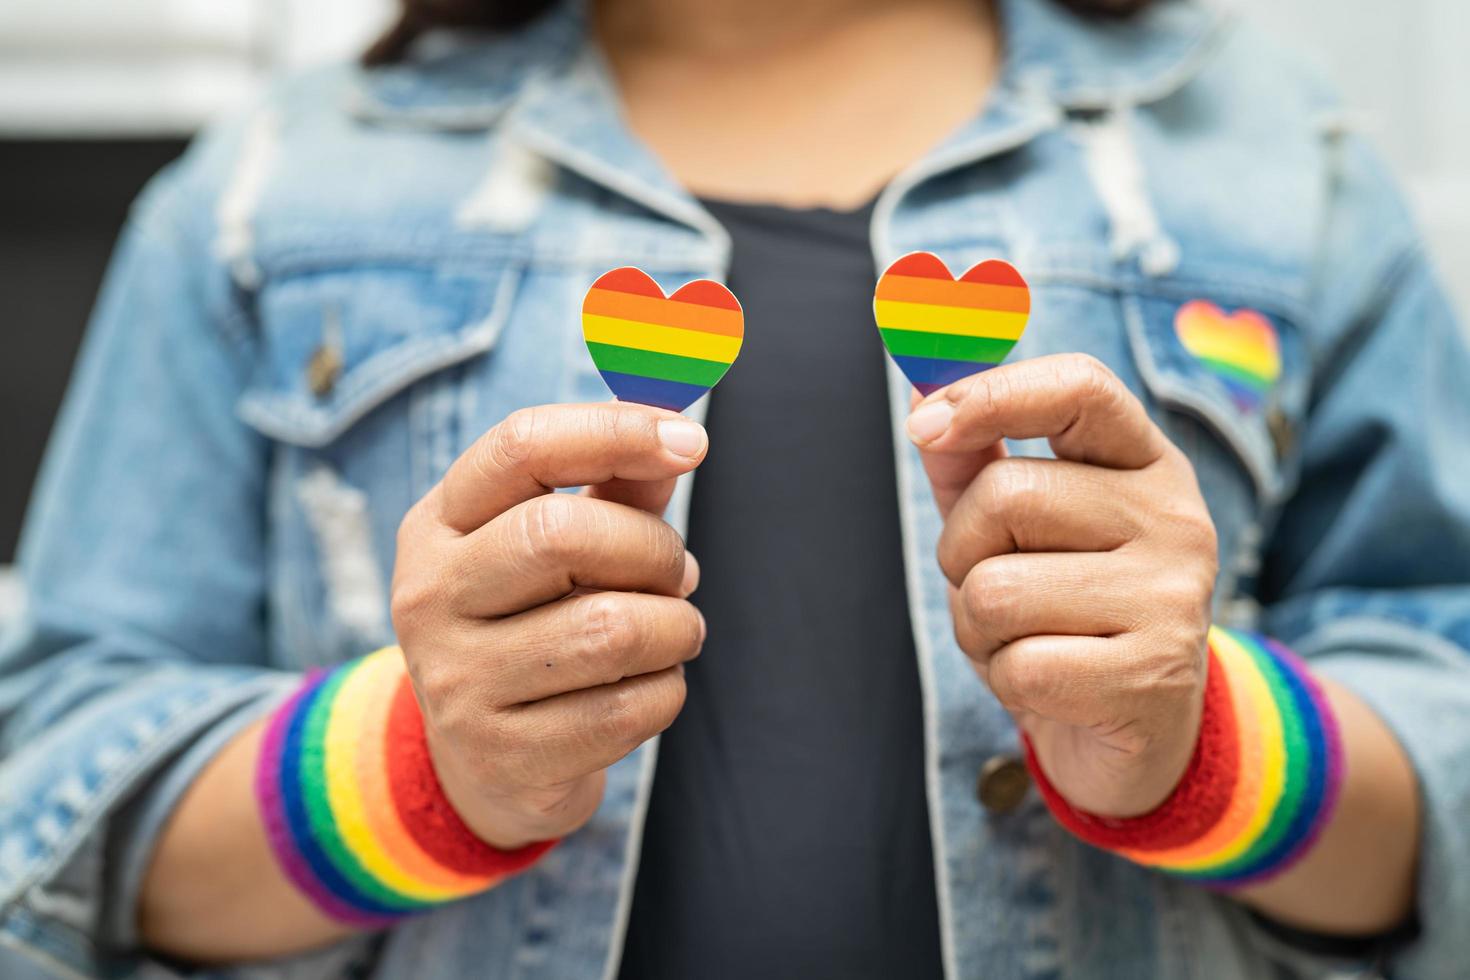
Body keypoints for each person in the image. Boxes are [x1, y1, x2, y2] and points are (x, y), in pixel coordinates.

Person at [1, 0, 1467, 976]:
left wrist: (1203, 747)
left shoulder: (1283, 156)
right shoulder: (265, 187)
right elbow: (43, 792)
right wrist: (419, 770)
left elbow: (1441, 724)